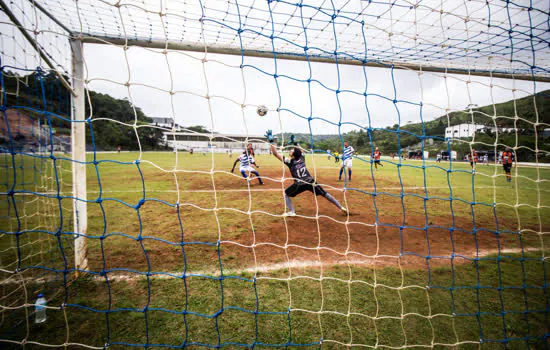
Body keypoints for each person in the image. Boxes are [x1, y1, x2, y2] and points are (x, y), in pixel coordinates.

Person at [265, 130, 347, 216]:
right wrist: (295, 143)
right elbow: (300, 150)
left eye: (291, 150)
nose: (290, 150)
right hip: (310, 181)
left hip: (299, 184)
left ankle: (292, 212)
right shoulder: (302, 158)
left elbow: (275, 153)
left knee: (286, 194)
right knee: (325, 194)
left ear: (293, 154)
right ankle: (341, 207)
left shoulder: (290, 162)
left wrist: (271, 141)